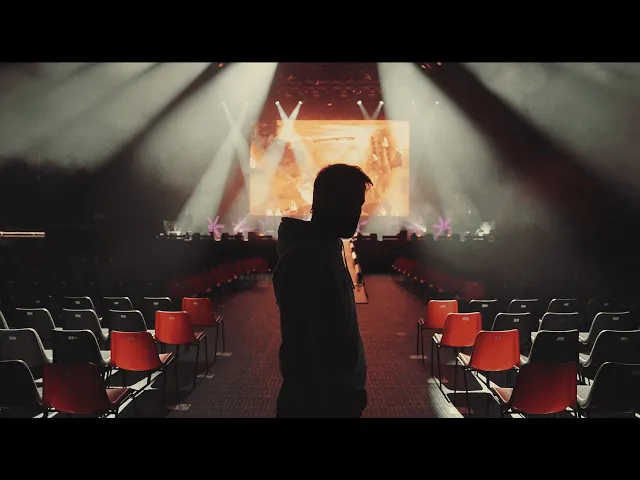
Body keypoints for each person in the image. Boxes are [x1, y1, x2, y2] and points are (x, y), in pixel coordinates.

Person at [272, 163, 373, 418]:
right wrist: (337, 401)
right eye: (353, 205)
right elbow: (306, 349)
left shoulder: (325, 247)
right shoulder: (307, 259)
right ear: (332, 203)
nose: (357, 214)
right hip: (321, 405)